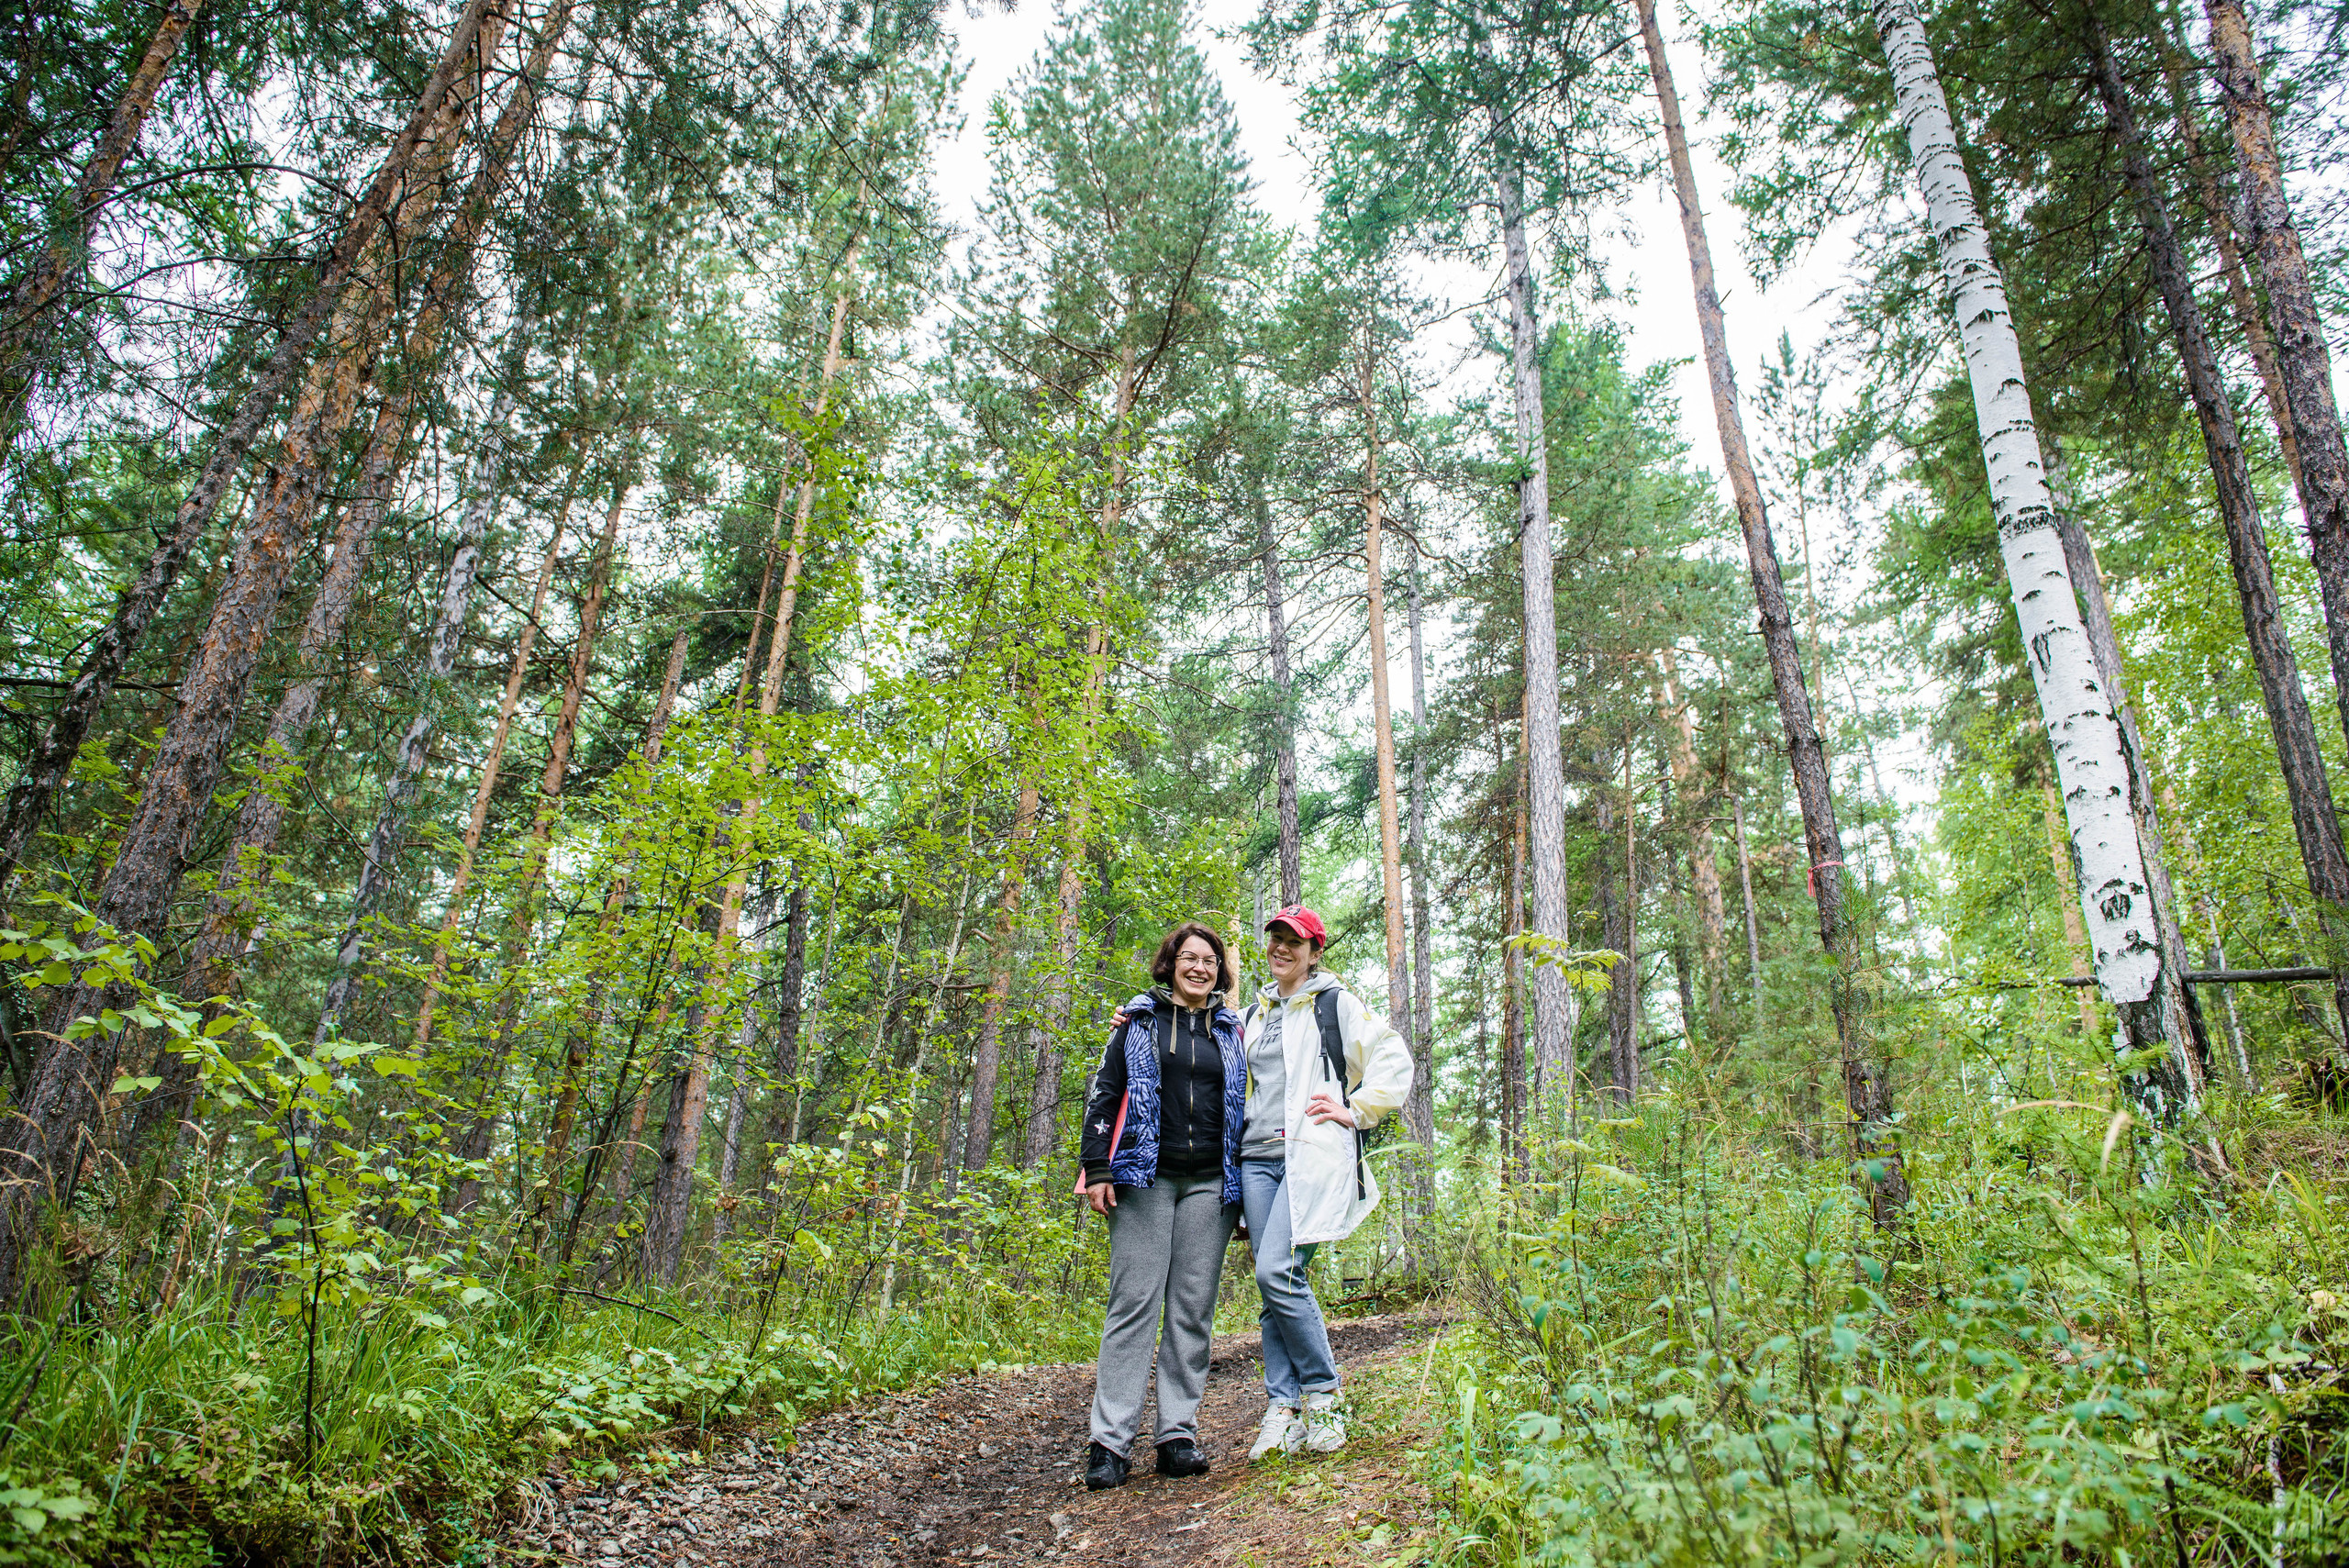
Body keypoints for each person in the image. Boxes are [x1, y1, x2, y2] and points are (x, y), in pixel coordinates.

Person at [1074, 920, 1248, 1491]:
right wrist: (1097, 1166)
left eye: (1210, 960)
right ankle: (1110, 1444)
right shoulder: (1137, 1022)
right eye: (1189, 958)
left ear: (1220, 971)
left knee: (1192, 1309)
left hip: (1210, 1186)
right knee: (1134, 1305)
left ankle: (1177, 1433)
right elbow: (1105, 1092)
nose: (1200, 967)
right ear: (1171, 964)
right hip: (1143, 1178)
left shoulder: (1231, 1029)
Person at [1238, 904, 1413, 1461]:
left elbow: (1391, 1057)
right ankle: (1282, 1410)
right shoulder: (1255, 1014)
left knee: (1278, 1271)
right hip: (1254, 1161)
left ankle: (1325, 1393)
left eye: (1294, 941)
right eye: (1275, 939)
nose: (1281, 949)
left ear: (1314, 952)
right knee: (1274, 1287)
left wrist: (1355, 1108)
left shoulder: (1334, 1004)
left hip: (1308, 1158)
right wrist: (1139, 1016)